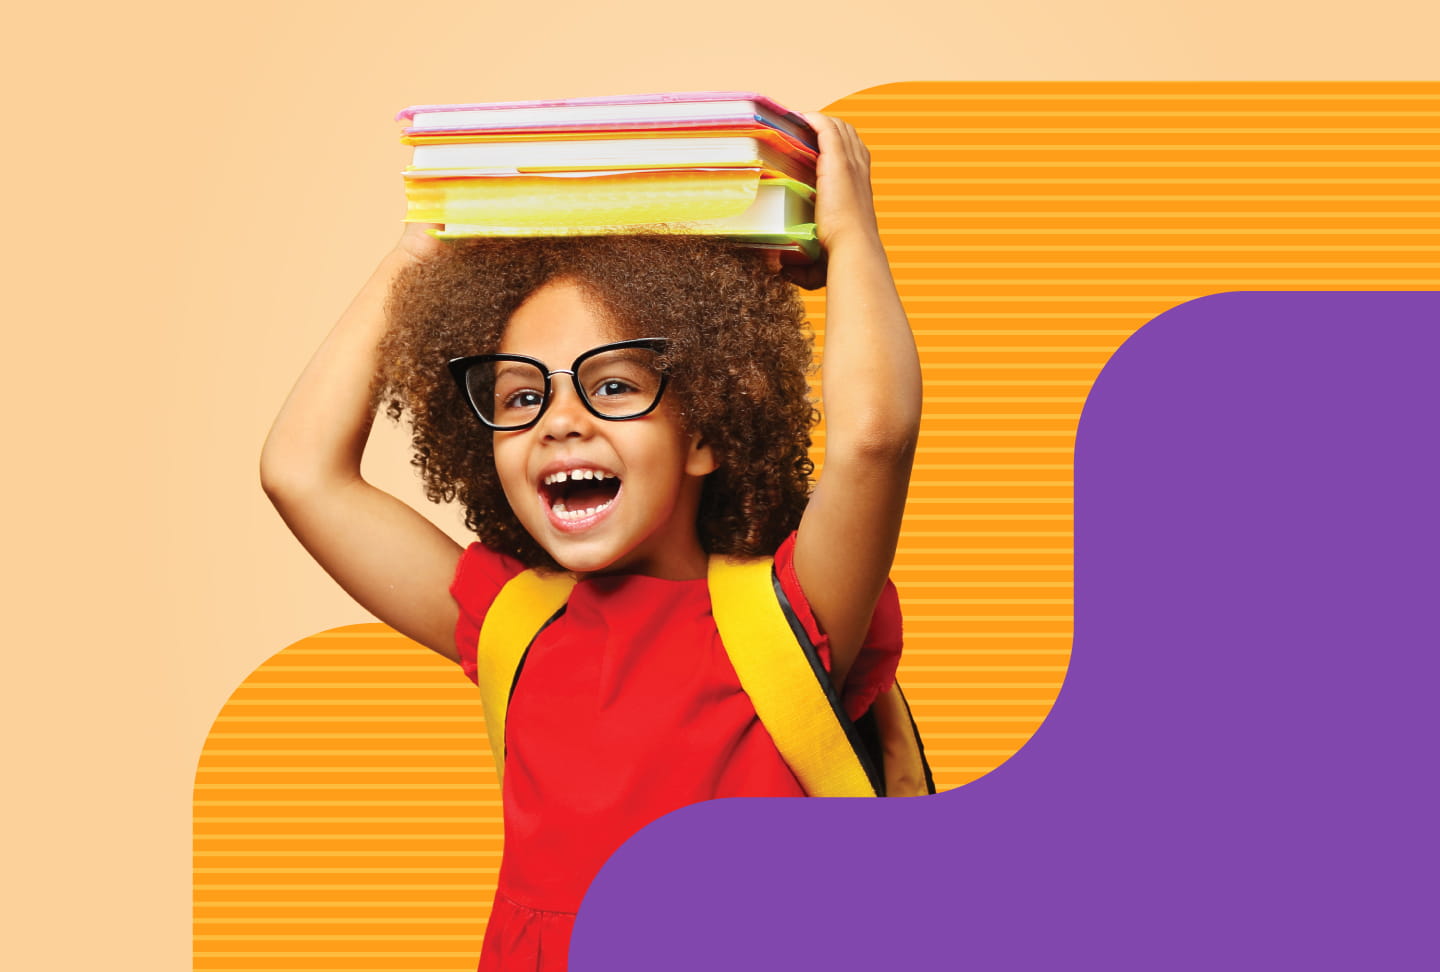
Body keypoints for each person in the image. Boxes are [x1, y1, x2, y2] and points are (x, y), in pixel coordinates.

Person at [260, 114, 920, 970]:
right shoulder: (513, 620)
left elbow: (875, 436)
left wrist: (850, 235)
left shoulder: (790, 612)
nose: (559, 421)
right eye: (518, 395)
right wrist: (422, 252)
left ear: (704, 432)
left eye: (612, 385)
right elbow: (300, 473)